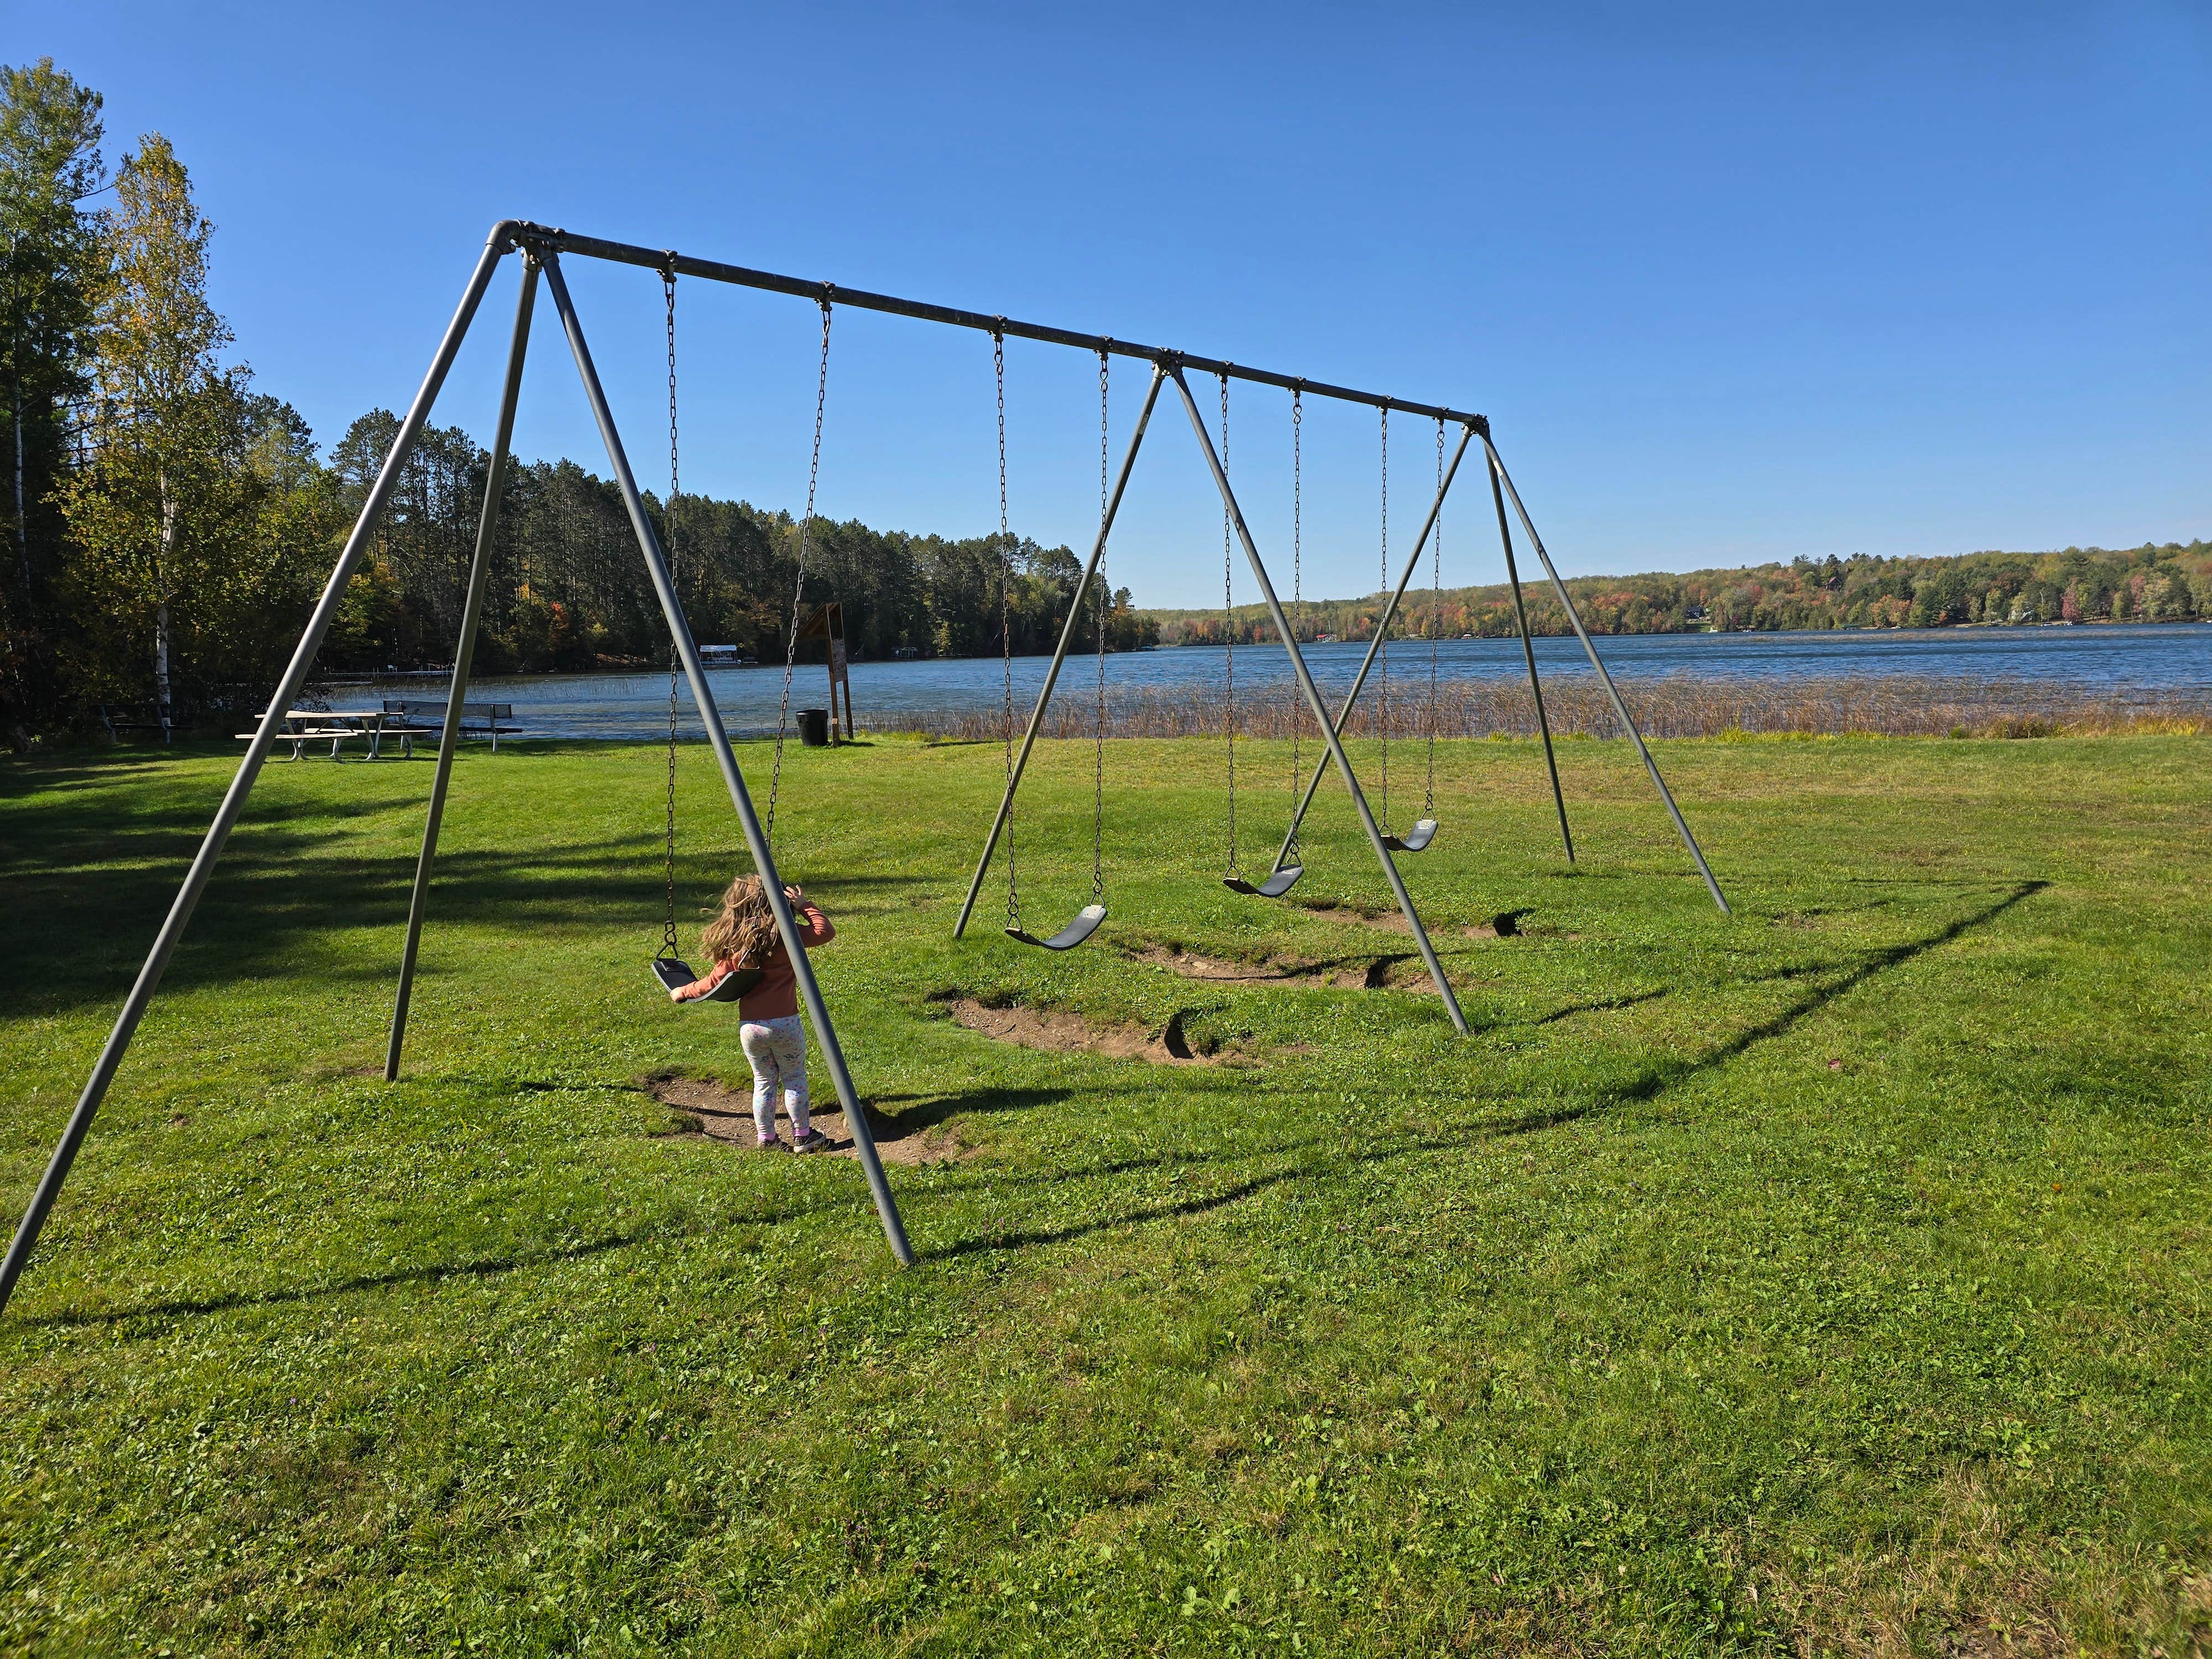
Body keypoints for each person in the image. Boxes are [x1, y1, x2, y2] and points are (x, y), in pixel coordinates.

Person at [674, 874, 836, 1153]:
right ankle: (803, 1136)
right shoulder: (786, 936)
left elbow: (712, 982)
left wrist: (683, 991)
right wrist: (803, 905)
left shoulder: (736, 946)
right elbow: (824, 932)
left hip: (751, 1028)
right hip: (786, 1023)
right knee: (794, 1078)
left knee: (763, 1081)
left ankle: (767, 1139)